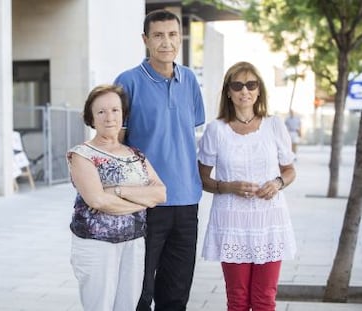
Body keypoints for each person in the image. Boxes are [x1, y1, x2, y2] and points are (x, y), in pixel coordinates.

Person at [114, 9, 205, 311]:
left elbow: (187, 134)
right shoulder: (128, 82)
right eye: (158, 35)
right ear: (146, 40)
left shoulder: (190, 80)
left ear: (180, 37)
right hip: (145, 202)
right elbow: (117, 142)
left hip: (187, 199)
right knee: (140, 291)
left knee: (177, 292)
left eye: (172, 34)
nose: (166, 42)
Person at [197, 61, 297, 311]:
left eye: (251, 84)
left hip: (269, 221)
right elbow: (203, 179)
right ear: (228, 92)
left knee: (264, 299)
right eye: (238, 85)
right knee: (238, 299)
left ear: (259, 90)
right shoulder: (215, 130)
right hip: (232, 222)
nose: (245, 91)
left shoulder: (274, 125)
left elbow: (289, 170)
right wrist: (229, 186)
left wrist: (277, 183)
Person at [67, 84, 166, 311]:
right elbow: (97, 201)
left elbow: (160, 193)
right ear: (91, 118)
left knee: (128, 307)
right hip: (96, 245)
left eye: (115, 110)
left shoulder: (135, 155)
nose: (109, 117)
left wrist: (118, 191)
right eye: (101, 111)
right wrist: (142, 200)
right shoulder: (82, 154)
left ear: (123, 114)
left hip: (133, 243)